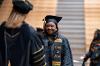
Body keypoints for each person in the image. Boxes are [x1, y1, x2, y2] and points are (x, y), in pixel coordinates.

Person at [0, 0, 45, 66]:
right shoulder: (30, 32)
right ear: (25, 15)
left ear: (12, 11)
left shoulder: (2, 29)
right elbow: (38, 60)